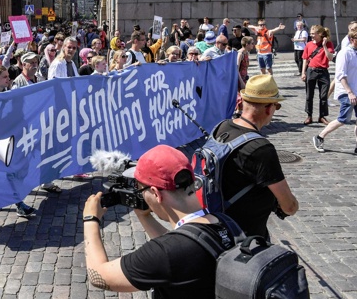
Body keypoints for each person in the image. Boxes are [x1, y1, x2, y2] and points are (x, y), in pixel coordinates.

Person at [83, 144, 238, 296]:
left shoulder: (165, 253)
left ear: (155, 193)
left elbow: (99, 276)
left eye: (140, 189)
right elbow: (182, 245)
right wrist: (144, 216)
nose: (140, 194)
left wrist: (90, 219)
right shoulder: (225, 222)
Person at [213, 75, 299, 238]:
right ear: (268, 108)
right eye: (277, 106)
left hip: (216, 221)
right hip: (244, 236)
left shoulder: (222, 126)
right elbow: (289, 206)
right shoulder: (261, 149)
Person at [312, 28, 357, 153]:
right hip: (346, 91)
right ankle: (319, 137)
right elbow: (341, 75)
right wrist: (349, 92)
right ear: (352, 40)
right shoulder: (344, 53)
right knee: (343, 119)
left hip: (356, 89)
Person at [301, 25, 335, 125]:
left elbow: (330, 57)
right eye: (310, 33)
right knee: (309, 95)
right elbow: (305, 59)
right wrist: (303, 72)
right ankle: (309, 116)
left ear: (319, 34)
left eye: (313, 33)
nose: (311, 35)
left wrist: (324, 45)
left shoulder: (329, 44)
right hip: (311, 71)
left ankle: (322, 116)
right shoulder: (309, 44)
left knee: (323, 96)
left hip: (323, 72)